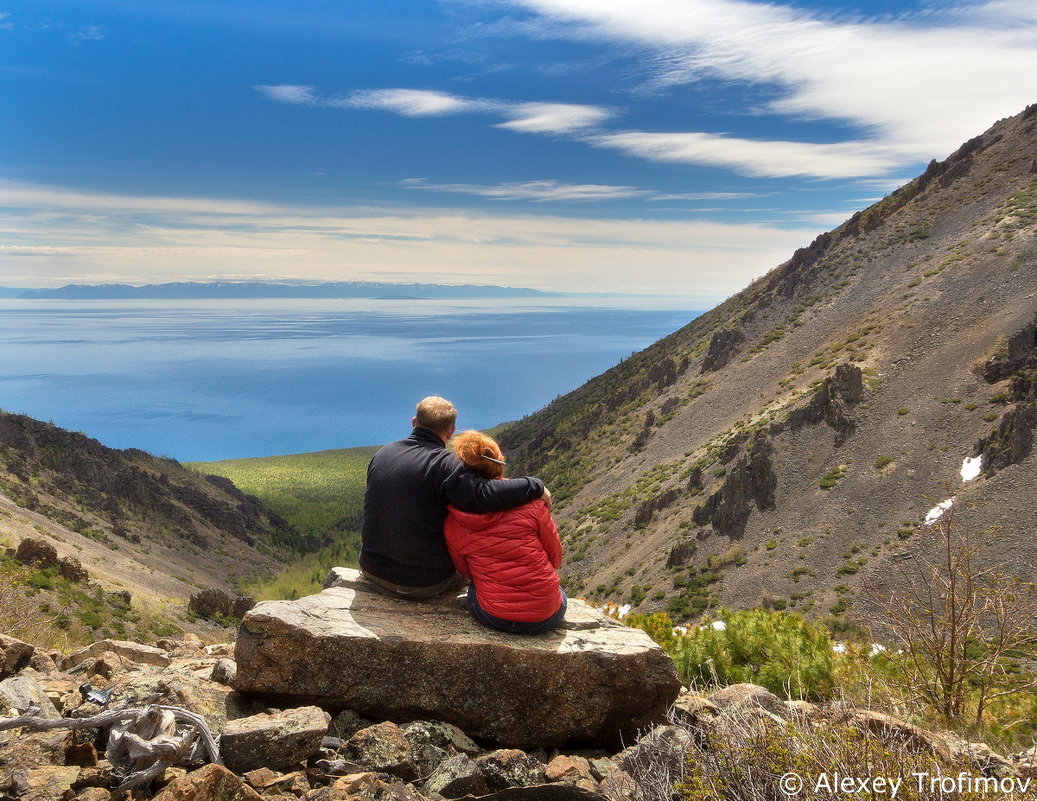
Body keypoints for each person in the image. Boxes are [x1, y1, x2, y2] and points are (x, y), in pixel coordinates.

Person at [359, 396, 550, 599]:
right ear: (450, 431)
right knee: (475, 570)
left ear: (414, 422)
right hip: (422, 582)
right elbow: (483, 496)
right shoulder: (446, 464)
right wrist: (535, 486)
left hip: (373, 570)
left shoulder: (382, 453)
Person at [444, 430, 566, 634]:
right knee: (559, 591)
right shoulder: (534, 505)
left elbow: (465, 571)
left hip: (492, 616)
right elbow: (555, 557)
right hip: (545, 616)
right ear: (498, 463)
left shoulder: (453, 519)